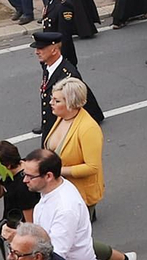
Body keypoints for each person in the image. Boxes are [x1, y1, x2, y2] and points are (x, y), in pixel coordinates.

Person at [43, 76, 107, 211]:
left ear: (71, 103)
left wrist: (57, 171)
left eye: (57, 100)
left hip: (79, 195)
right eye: (52, 99)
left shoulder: (88, 129)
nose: (51, 103)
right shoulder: (62, 117)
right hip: (60, 190)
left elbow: (92, 167)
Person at [0, 138, 37, 260]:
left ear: (7, 165)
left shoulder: (23, 187)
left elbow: (30, 224)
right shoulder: (14, 171)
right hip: (13, 229)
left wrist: (19, 242)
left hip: (19, 234)